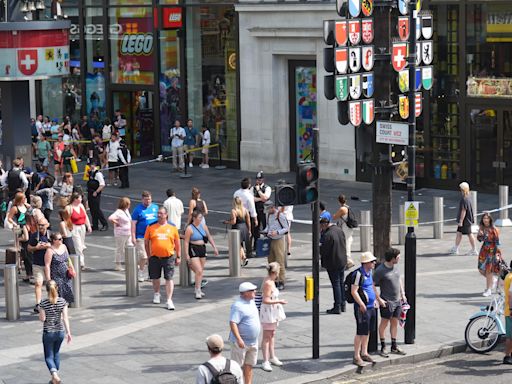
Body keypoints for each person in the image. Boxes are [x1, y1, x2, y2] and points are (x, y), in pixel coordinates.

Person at [144, 206, 181, 310]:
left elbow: (177, 243)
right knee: (155, 277)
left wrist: (178, 256)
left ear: (166, 215)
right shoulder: (151, 226)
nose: (159, 215)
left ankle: (169, 300)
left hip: (168, 257)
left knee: (169, 278)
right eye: (158, 213)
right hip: (155, 257)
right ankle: (157, 293)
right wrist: (148, 255)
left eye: (161, 213)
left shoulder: (172, 227)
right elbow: (146, 242)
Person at [373, 248, 407, 357]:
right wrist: (379, 299)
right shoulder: (380, 270)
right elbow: (372, 284)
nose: (399, 258)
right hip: (387, 302)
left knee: (394, 323)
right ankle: (383, 346)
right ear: (393, 258)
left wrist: (403, 294)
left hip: (397, 301)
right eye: (398, 256)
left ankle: (394, 345)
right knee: (384, 323)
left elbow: (399, 280)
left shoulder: (395, 268)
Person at [39, 280, 72, 384]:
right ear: (57, 288)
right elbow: (65, 318)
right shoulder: (62, 301)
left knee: (48, 356)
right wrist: (68, 332)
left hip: (48, 332)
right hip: (60, 332)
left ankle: (55, 375)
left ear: (46, 289)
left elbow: (42, 319)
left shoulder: (43, 302)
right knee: (56, 353)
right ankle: (54, 379)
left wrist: (40, 310)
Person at [229, 282, 261, 384]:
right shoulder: (238, 306)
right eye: (252, 290)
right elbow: (233, 323)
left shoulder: (252, 301)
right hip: (241, 343)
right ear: (245, 293)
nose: (255, 292)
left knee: (249, 365)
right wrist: (239, 339)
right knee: (236, 368)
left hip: (253, 342)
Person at [351, 252, 379, 367]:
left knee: (367, 330)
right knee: (360, 331)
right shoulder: (358, 274)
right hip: (362, 308)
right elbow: (354, 291)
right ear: (366, 263)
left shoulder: (369, 272)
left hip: (371, 306)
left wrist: (377, 299)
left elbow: (371, 286)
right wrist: (361, 304)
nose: (374, 263)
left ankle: (364, 352)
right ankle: (356, 356)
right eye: (372, 261)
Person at [184, 210, 219, 299]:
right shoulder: (189, 228)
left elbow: (209, 236)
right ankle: (198, 289)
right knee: (198, 270)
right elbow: (186, 242)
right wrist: (187, 254)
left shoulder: (203, 226)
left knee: (200, 270)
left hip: (202, 248)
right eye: (200, 217)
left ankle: (197, 287)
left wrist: (214, 247)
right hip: (193, 248)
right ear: (194, 218)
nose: (201, 219)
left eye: (201, 217)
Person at [260, 262, 287, 372]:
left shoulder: (271, 281)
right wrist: (279, 301)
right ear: (275, 272)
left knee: (272, 335)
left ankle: (272, 356)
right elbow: (265, 299)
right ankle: (265, 360)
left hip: (273, 312)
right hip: (268, 313)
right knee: (267, 337)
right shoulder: (268, 283)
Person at [319, 211, 347, 314]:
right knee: (340, 282)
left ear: (324, 224)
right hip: (342, 260)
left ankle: (337, 306)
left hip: (333, 262)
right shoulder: (338, 230)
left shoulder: (327, 235)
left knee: (336, 284)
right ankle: (343, 304)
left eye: (321, 224)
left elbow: (323, 251)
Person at [131, 191, 159, 282]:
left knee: (152, 256)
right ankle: (141, 271)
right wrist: (133, 236)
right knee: (144, 256)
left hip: (153, 236)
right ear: (142, 199)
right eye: (146, 199)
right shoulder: (138, 209)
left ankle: (151, 274)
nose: (148, 201)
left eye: (149, 199)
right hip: (141, 236)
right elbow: (133, 223)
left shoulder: (155, 207)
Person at [262, 200, 289, 290]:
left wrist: (277, 232)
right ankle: (274, 279)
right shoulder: (268, 215)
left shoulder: (280, 215)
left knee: (279, 260)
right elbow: (268, 226)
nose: (267, 211)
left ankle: (281, 281)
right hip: (270, 239)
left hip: (278, 239)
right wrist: (265, 231)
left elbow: (286, 228)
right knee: (271, 260)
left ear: (273, 207)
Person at [27, 219, 51, 313]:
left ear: (47, 225)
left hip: (48, 264)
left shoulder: (50, 235)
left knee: (50, 284)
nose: (40, 227)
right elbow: (28, 248)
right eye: (39, 225)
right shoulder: (34, 235)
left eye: (42, 225)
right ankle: (38, 303)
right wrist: (36, 248)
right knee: (38, 283)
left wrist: (48, 245)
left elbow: (57, 246)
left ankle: (51, 301)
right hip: (37, 264)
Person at [44, 232, 74, 304]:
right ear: (54, 240)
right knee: (59, 291)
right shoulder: (50, 251)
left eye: (62, 238)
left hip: (66, 274)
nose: (61, 240)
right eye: (59, 239)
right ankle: (60, 306)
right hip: (56, 275)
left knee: (68, 288)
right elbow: (47, 265)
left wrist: (72, 268)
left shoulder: (64, 246)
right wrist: (48, 279)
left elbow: (68, 258)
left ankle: (65, 305)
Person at [477, 212, 503, 297]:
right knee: (481, 269)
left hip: (492, 251)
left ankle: (488, 289)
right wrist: (480, 234)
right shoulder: (482, 227)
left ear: (490, 219)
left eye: (487, 218)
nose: (485, 220)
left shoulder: (494, 229)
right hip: (484, 250)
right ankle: (493, 280)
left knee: (489, 270)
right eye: (484, 218)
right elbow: (480, 239)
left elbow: (497, 242)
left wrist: (495, 254)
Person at [65, 193, 92, 269]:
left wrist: (88, 225)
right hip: (74, 227)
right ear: (75, 199)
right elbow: (66, 219)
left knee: (82, 245)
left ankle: (78, 260)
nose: (81, 200)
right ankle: (81, 263)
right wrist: (69, 228)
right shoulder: (69, 208)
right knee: (78, 245)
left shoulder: (81, 206)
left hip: (82, 227)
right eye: (80, 198)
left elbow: (85, 216)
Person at [449, 181, 477, 256]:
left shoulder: (464, 199)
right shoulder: (468, 197)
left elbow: (463, 210)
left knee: (469, 234)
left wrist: (461, 221)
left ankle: (474, 249)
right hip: (467, 220)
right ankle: (456, 248)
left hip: (465, 221)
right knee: (459, 233)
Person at [234, 178, 258, 256]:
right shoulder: (249, 195)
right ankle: (249, 251)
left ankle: (239, 250)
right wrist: (255, 219)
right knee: (248, 234)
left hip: (237, 214)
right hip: (246, 214)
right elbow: (252, 208)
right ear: (249, 185)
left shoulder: (236, 193)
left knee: (238, 234)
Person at [225, 196, 251, 266]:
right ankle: (243, 258)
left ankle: (243, 258)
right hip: (244, 227)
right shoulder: (245, 210)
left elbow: (233, 222)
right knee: (240, 244)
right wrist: (249, 230)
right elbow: (248, 221)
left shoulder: (234, 210)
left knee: (238, 245)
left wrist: (227, 222)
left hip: (237, 228)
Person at [108, 197, 132, 271]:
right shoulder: (118, 212)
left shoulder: (126, 211)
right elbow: (110, 218)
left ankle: (130, 263)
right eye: (128, 204)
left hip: (128, 232)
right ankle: (118, 264)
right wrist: (117, 223)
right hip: (121, 233)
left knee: (130, 247)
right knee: (120, 249)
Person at [332, 194, 355, 268]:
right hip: (349, 227)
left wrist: (334, 215)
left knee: (346, 243)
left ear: (339, 201)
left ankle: (348, 260)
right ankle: (348, 260)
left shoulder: (342, 209)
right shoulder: (347, 207)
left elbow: (335, 217)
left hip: (345, 228)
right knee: (348, 241)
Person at [251, 171, 271, 250]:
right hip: (256, 210)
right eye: (257, 179)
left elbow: (266, 198)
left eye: (259, 180)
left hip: (265, 210)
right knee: (256, 228)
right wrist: (261, 199)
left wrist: (259, 191)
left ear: (263, 180)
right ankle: (256, 245)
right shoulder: (253, 188)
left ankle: (267, 245)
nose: (258, 181)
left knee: (266, 227)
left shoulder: (267, 188)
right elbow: (252, 199)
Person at [87, 162, 108, 231]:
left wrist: (96, 192)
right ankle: (95, 225)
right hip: (90, 192)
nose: (90, 166)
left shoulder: (98, 174)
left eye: (91, 165)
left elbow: (102, 184)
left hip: (95, 193)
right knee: (92, 210)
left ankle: (104, 224)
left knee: (97, 209)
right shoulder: (91, 172)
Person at [503, 264, 512, 365]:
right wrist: (511, 309)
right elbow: (510, 295)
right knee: (510, 335)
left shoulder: (508, 276)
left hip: (507, 309)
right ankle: (507, 356)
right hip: (510, 311)